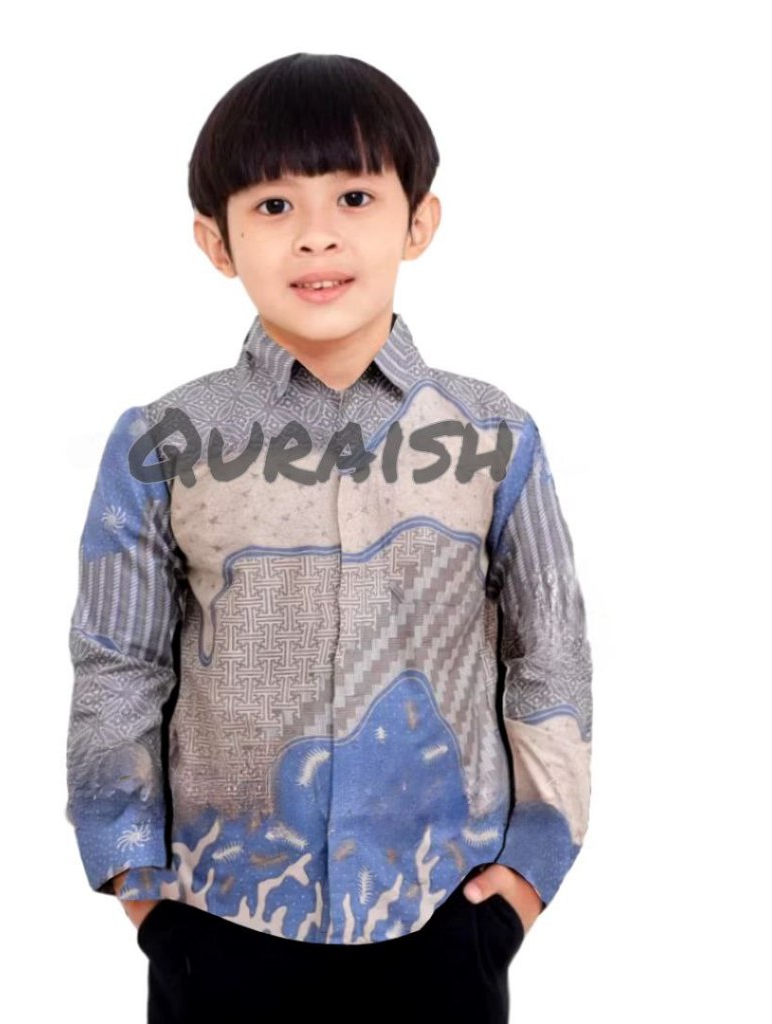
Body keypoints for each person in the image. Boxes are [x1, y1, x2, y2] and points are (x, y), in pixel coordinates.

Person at [65, 51, 593, 1023]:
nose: (316, 235)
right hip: (217, 922)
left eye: (354, 197)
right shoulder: (162, 441)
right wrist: (139, 885)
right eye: (273, 205)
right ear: (216, 241)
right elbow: (118, 665)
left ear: (418, 221)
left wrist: (530, 871)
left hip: (443, 914)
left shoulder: (493, 435)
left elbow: (547, 651)